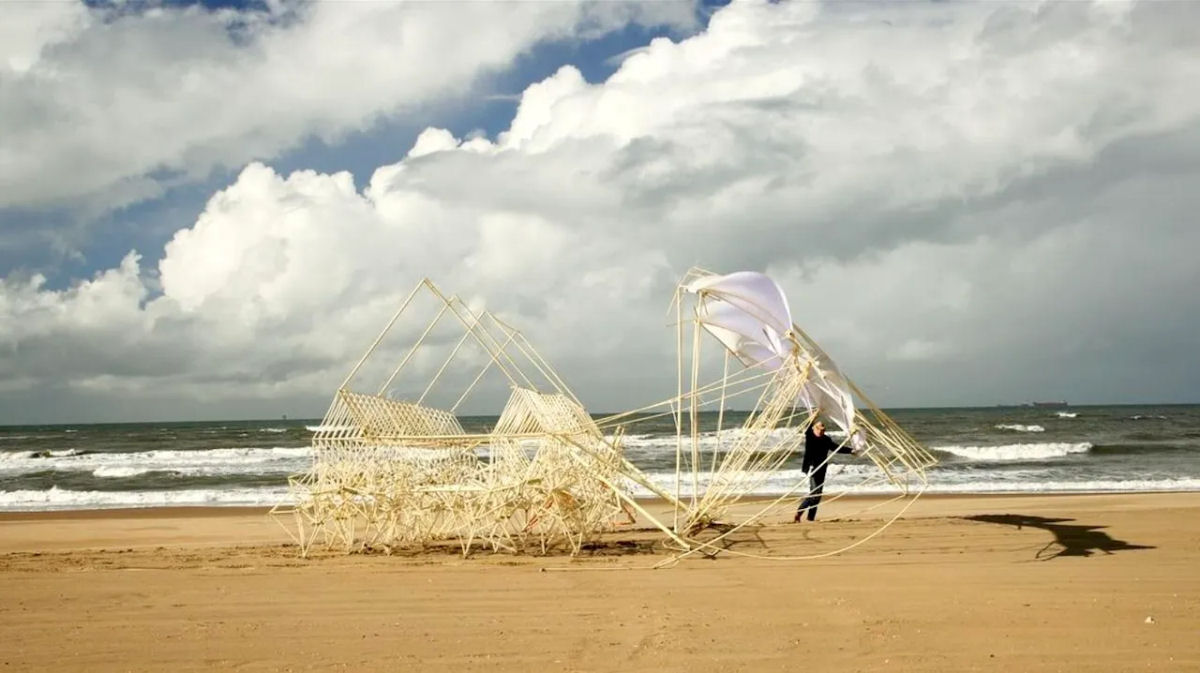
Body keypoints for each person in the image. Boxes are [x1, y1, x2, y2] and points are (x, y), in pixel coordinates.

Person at [794, 420, 855, 522]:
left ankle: (810, 518)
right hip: (812, 468)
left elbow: (836, 448)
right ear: (814, 428)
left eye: (823, 430)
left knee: (818, 496)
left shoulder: (826, 439)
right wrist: (813, 417)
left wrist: (850, 451)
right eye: (819, 429)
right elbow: (808, 427)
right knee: (814, 493)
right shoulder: (810, 437)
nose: (822, 432)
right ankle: (799, 513)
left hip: (822, 469)